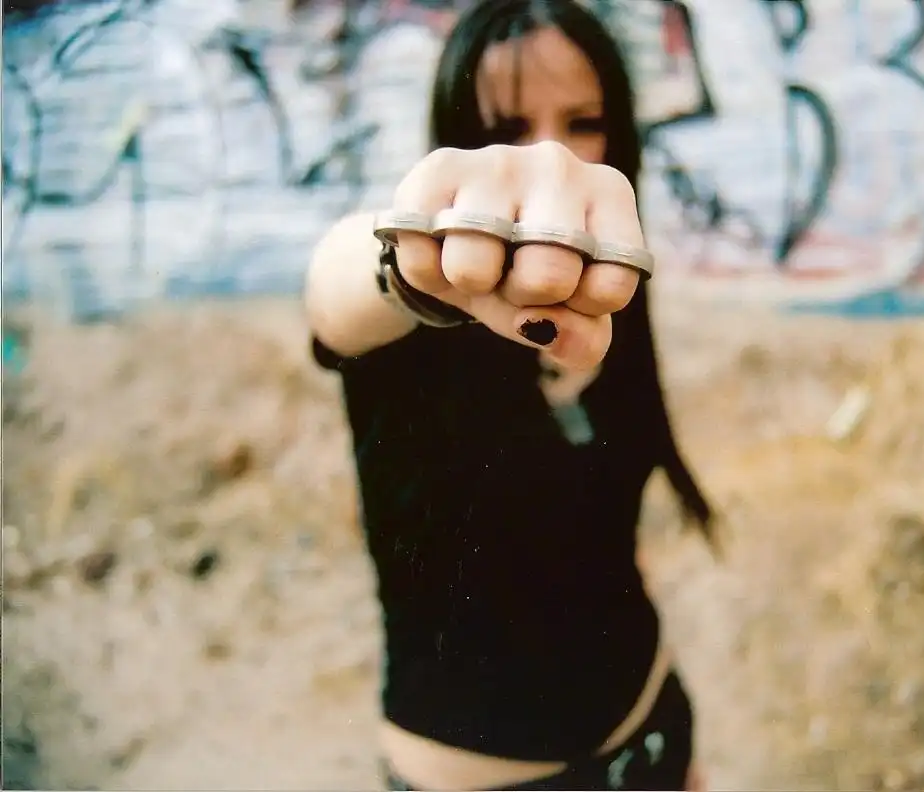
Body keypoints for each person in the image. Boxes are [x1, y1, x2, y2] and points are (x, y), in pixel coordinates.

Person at [304, 1, 713, 789]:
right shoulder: (416, 309)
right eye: (505, 128)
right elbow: (335, 290)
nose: (550, 159)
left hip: (649, 728)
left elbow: (612, 543)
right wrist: (411, 261)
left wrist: (679, 747)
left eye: (584, 123)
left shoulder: (608, 286)